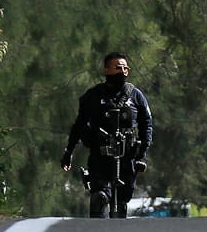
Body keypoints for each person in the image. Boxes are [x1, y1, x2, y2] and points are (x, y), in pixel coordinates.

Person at [61, 52, 153, 218]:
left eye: (126, 68)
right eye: (118, 67)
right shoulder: (93, 96)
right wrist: (69, 152)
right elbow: (79, 125)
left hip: (128, 157)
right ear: (106, 71)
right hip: (100, 157)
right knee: (99, 198)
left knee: (122, 202)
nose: (123, 71)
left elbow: (147, 125)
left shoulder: (136, 95)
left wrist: (142, 155)